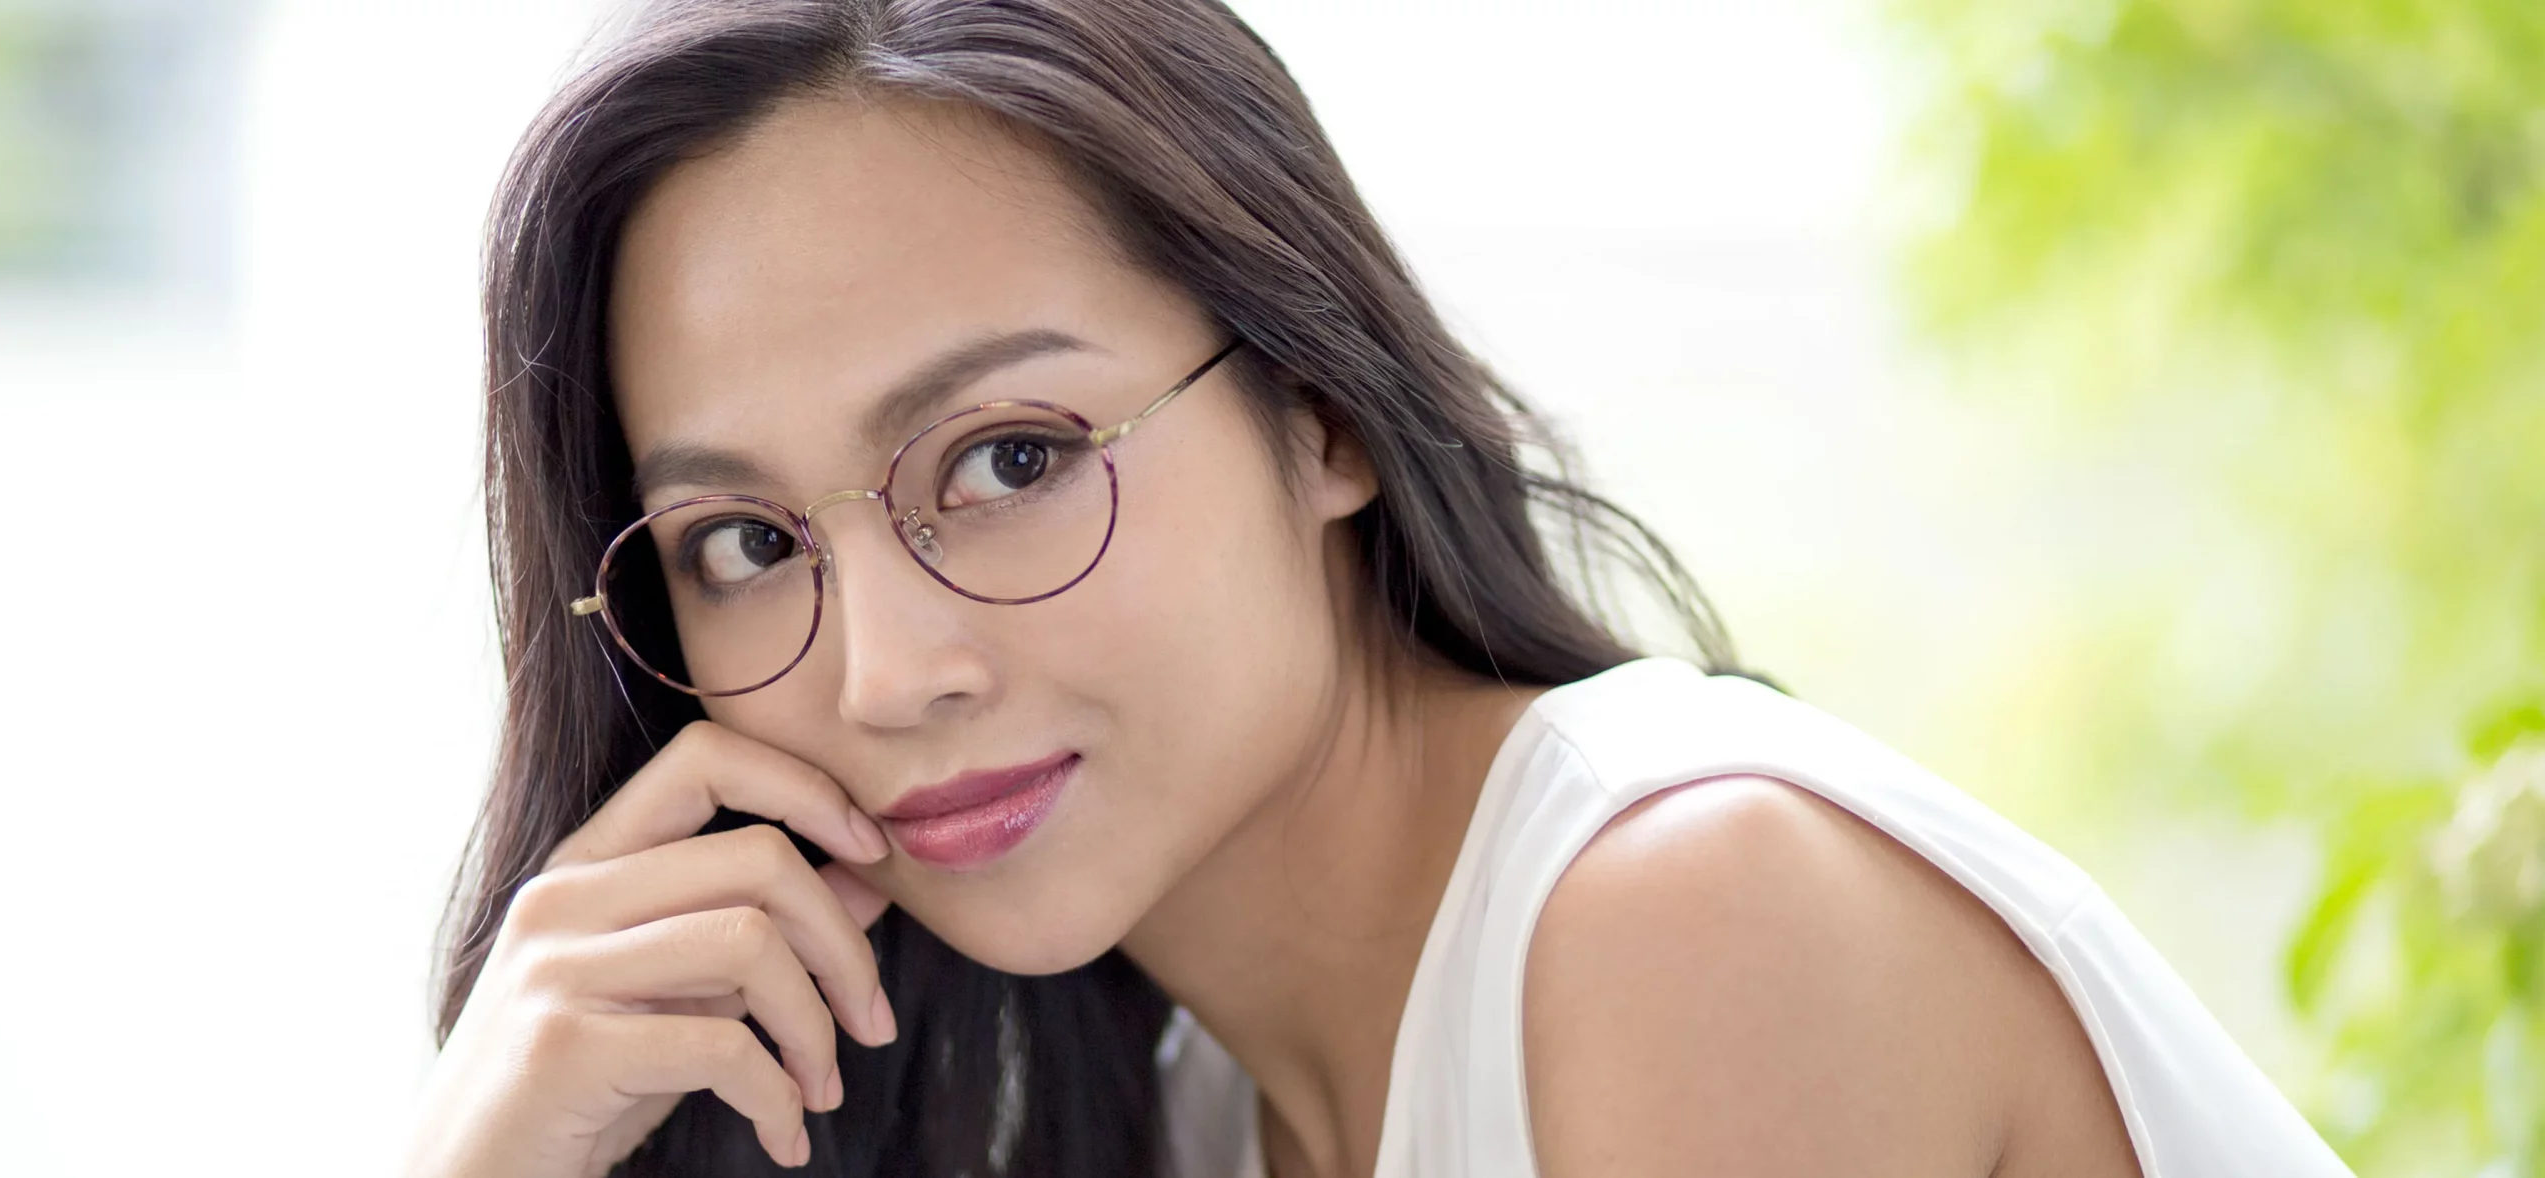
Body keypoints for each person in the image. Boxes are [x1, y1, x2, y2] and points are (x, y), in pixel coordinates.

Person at [405, 1, 2354, 1175]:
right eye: (747, 545)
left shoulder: (1683, 914)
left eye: (1009, 461)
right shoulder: (1191, 1112)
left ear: (1321, 409)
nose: (890, 668)